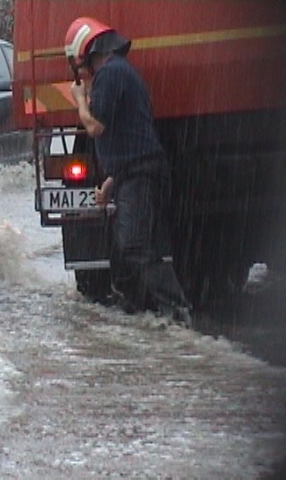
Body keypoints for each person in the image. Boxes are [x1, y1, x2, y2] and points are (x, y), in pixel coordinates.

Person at [64, 17, 193, 326]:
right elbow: (129, 140)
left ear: (86, 51)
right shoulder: (120, 71)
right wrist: (109, 185)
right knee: (122, 253)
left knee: (134, 244)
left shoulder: (109, 74)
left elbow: (95, 127)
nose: (82, 72)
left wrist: (80, 101)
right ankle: (131, 316)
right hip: (138, 172)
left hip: (141, 174)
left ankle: (177, 313)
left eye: (80, 64)